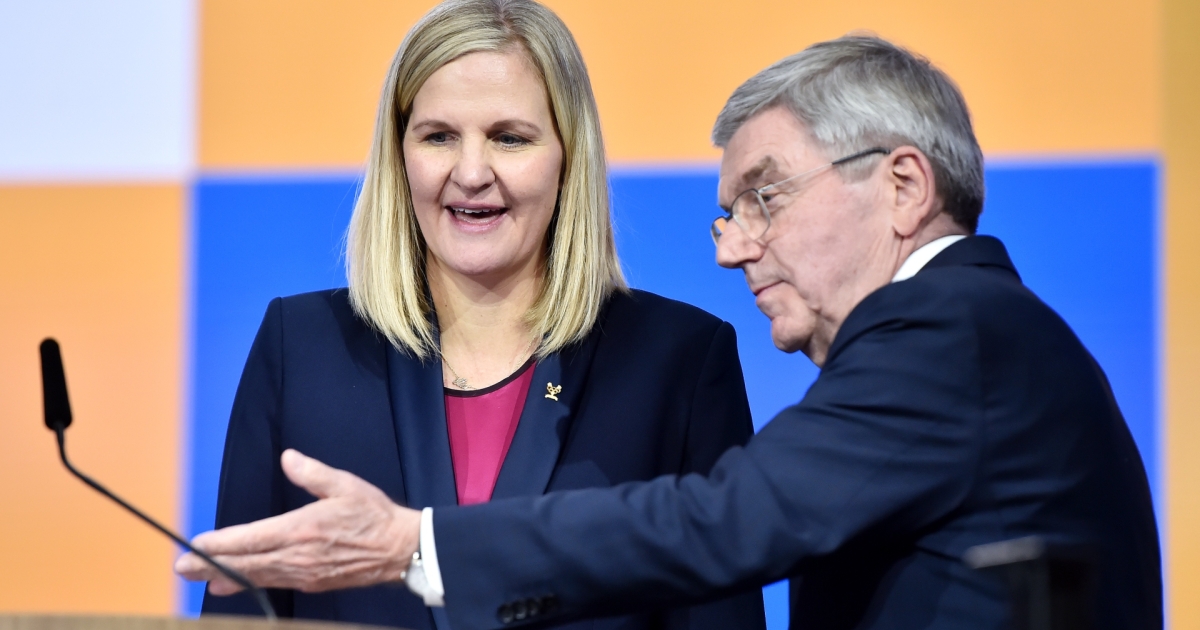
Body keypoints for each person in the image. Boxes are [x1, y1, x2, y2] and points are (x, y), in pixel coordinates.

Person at [178, 35, 1163, 629]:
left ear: (903, 185)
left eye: (764, 197)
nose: (734, 248)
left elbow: (723, 521)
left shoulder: (951, 334)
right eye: (728, 212)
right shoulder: (968, 336)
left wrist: (414, 542)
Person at [193, 1, 767, 629]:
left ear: (568, 157)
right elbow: (240, 612)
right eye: (438, 136)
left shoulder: (678, 361)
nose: (470, 173)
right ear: (399, 156)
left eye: (509, 138)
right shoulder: (300, 348)